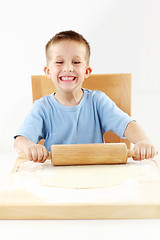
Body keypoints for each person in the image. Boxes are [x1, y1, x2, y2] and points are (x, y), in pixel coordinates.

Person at [14, 30, 156, 163]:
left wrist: (143, 141)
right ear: (48, 71)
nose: (68, 68)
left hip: (96, 173)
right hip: (56, 175)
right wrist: (29, 147)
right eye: (59, 62)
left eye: (76, 62)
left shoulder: (98, 101)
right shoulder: (42, 107)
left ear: (87, 71)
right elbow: (19, 141)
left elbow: (128, 125)